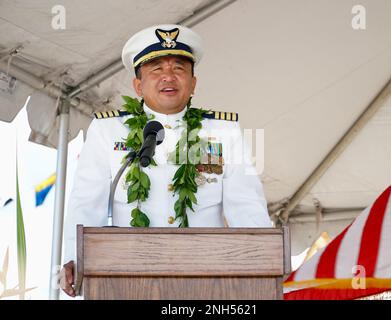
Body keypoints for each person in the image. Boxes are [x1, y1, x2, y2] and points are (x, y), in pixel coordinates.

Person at [59, 24, 272, 297]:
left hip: (208, 283)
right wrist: (73, 258)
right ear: (138, 85)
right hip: (127, 280)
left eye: (179, 69)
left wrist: (264, 258)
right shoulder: (108, 131)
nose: (168, 77)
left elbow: (247, 206)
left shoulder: (222, 131)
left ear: (193, 83)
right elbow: (86, 202)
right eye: (156, 69)